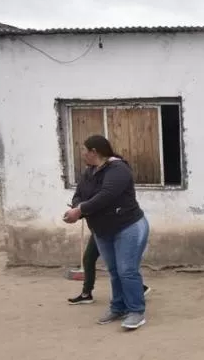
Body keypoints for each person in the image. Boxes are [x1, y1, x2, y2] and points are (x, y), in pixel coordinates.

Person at [63, 135, 150, 330]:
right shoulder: (89, 172)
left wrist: (80, 210)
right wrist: (78, 206)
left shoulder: (118, 169)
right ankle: (118, 307)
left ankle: (136, 311)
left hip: (128, 226)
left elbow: (107, 195)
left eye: (84, 150)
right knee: (114, 271)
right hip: (103, 230)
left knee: (127, 270)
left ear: (94, 152)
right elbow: (79, 194)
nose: (83, 154)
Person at [67, 162, 150, 306]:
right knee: (94, 261)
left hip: (111, 228)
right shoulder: (87, 177)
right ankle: (89, 294)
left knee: (120, 267)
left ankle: (134, 299)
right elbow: (78, 197)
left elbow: (101, 201)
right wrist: (77, 208)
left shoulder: (111, 180)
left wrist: (82, 209)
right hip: (98, 230)